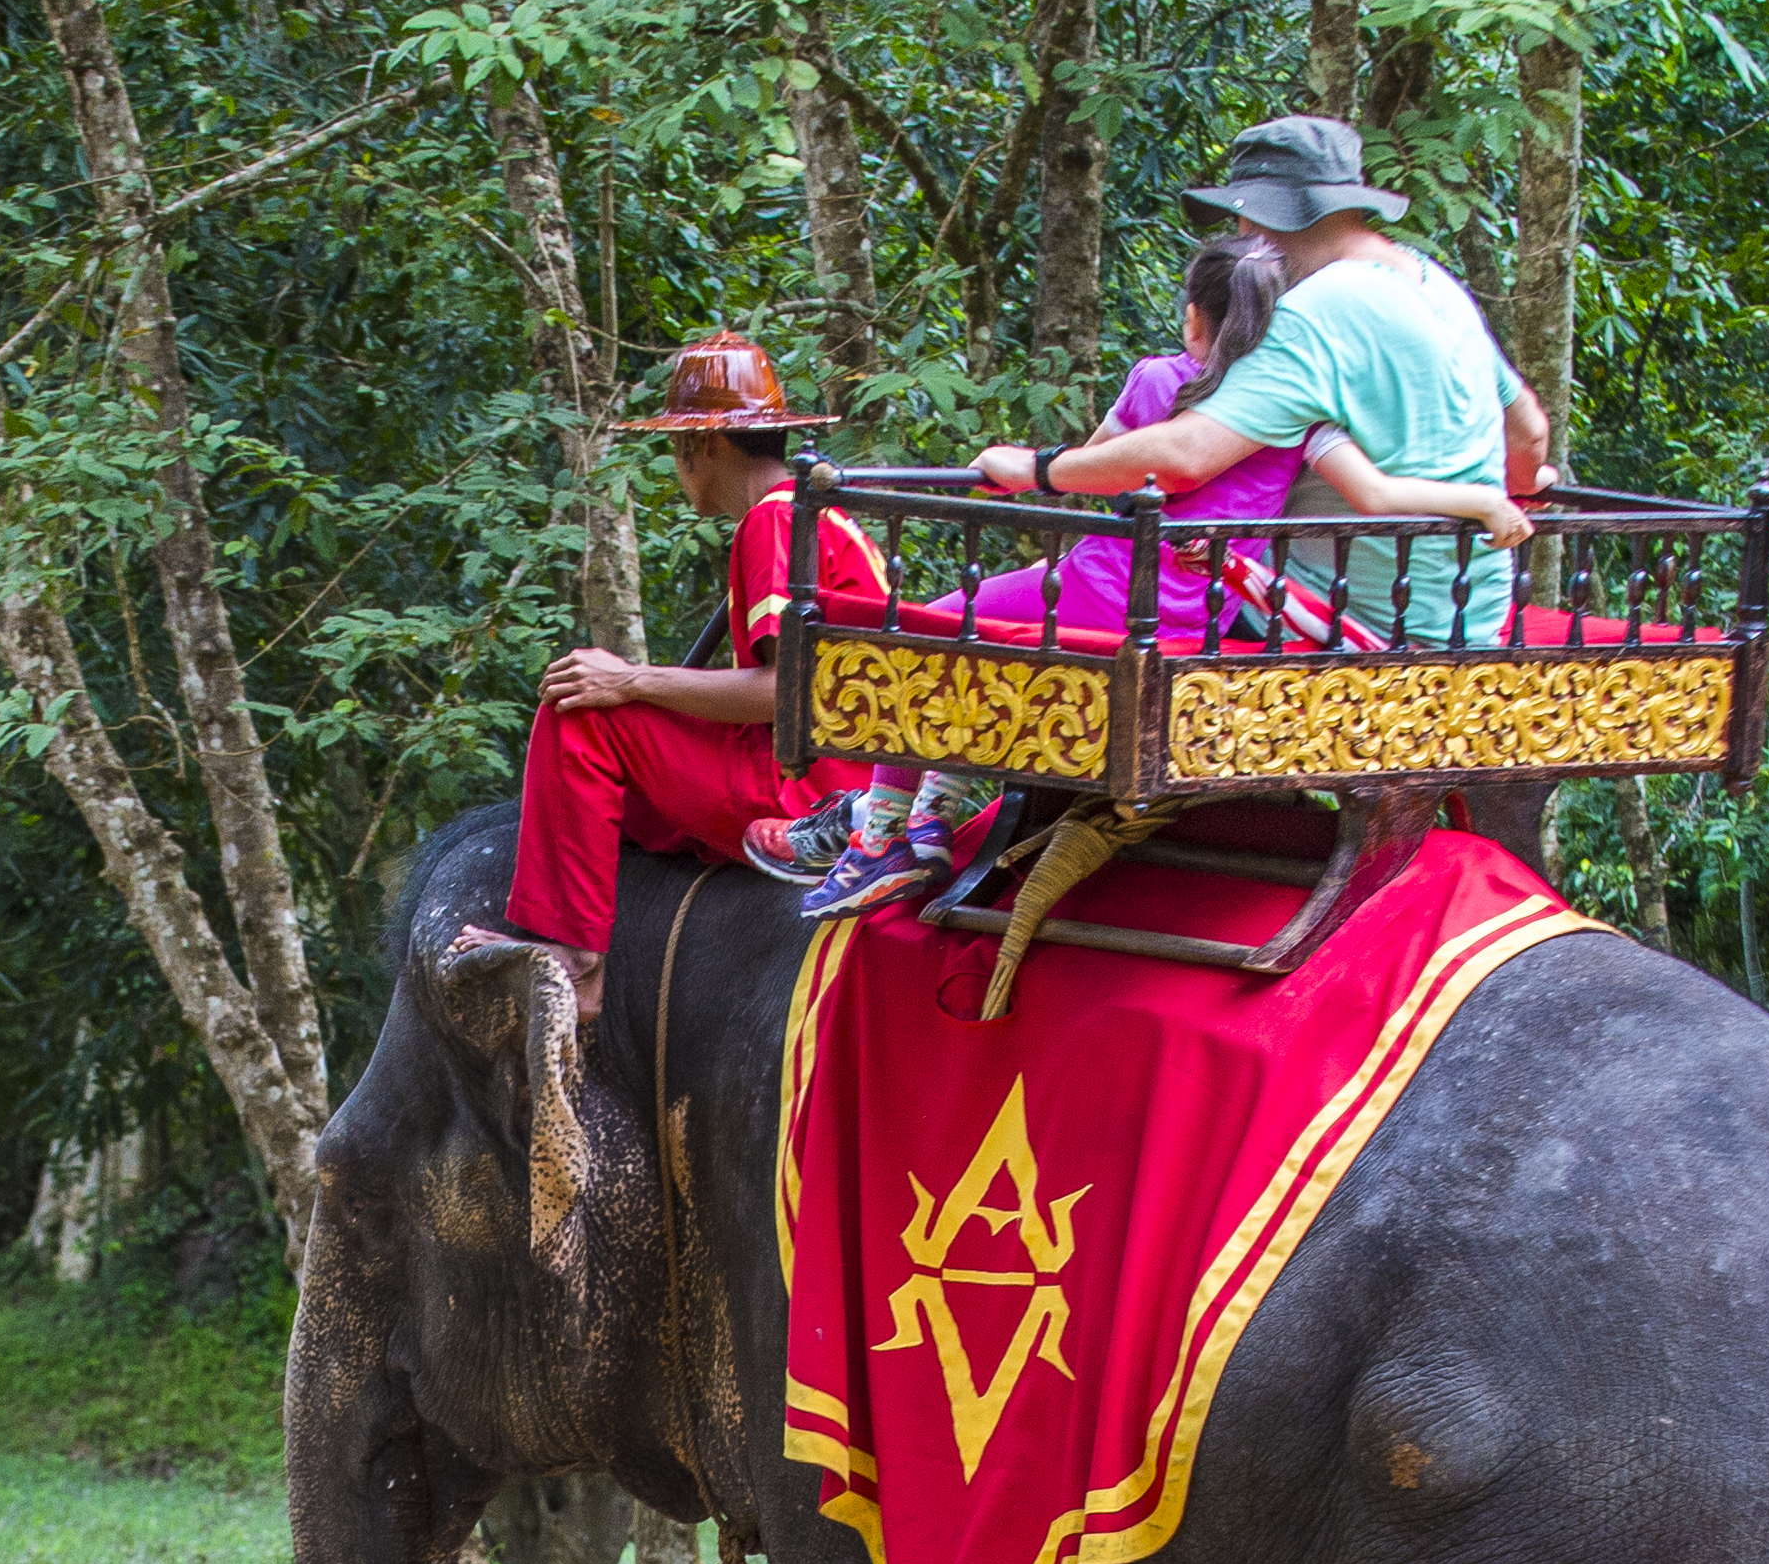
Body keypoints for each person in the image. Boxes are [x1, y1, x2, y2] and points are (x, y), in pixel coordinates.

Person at [785, 219, 1540, 921]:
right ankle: (929, 815)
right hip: (1216, 607)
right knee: (975, 634)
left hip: (1114, 590)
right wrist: (1483, 498)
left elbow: (1113, 466)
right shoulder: (1301, 411)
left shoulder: (1157, 381)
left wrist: (1025, 469)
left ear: (1192, 319)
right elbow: (1379, 490)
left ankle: (888, 835)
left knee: (925, 631)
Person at [986, 115, 1550, 653]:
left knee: (981, 628)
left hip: (1344, 616)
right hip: (1468, 614)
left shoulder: (1320, 307)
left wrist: (1040, 470)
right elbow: (1528, 443)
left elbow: (1185, 457)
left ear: (1256, 219)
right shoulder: (1435, 283)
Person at [494, 334, 885, 1007]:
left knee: (579, 714)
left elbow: (782, 694)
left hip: (809, 789)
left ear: (702, 444)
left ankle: (579, 958)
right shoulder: (811, 513)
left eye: (676, 449)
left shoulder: (773, 522)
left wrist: (633, 680)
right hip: (844, 770)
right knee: (624, 764)